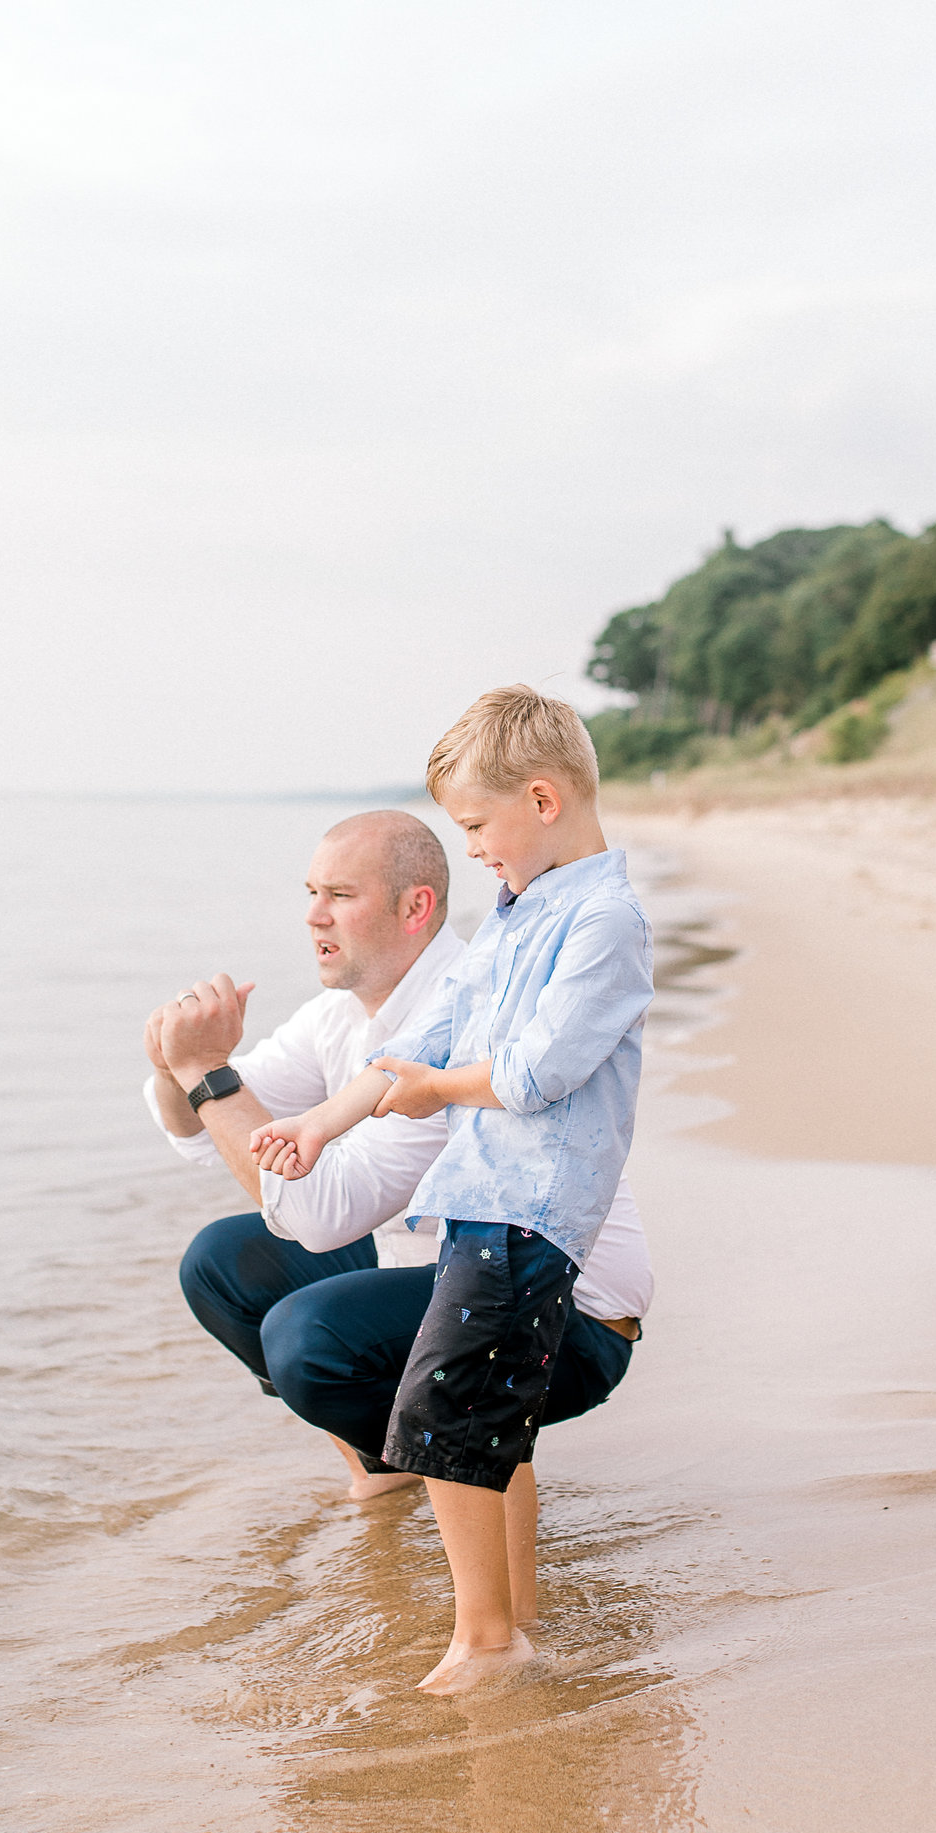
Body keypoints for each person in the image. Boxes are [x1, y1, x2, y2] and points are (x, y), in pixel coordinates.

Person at [140, 805, 651, 1640]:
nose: (312, 915)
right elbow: (202, 1135)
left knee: (310, 1336)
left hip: (567, 1316)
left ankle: (467, 1480)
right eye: (310, 892)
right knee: (221, 1262)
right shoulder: (337, 1016)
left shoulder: (453, 1016)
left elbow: (318, 1210)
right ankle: (389, 1459)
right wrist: (173, 1061)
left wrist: (206, 1069)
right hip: (448, 1279)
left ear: (414, 909)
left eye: (339, 894)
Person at [252, 685, 652, 1695]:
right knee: (475, 1409)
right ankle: (510, 1624)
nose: (470, 848)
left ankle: (487, 1646)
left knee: (448, 1411)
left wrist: (434, 1089)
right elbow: (419, 1043)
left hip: (539, 1211)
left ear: (543, 799)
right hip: (483, 1201)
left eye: (477, 825)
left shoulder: (604, 921)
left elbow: (535, 1072)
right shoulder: (520, 914)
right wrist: (316, 1121)